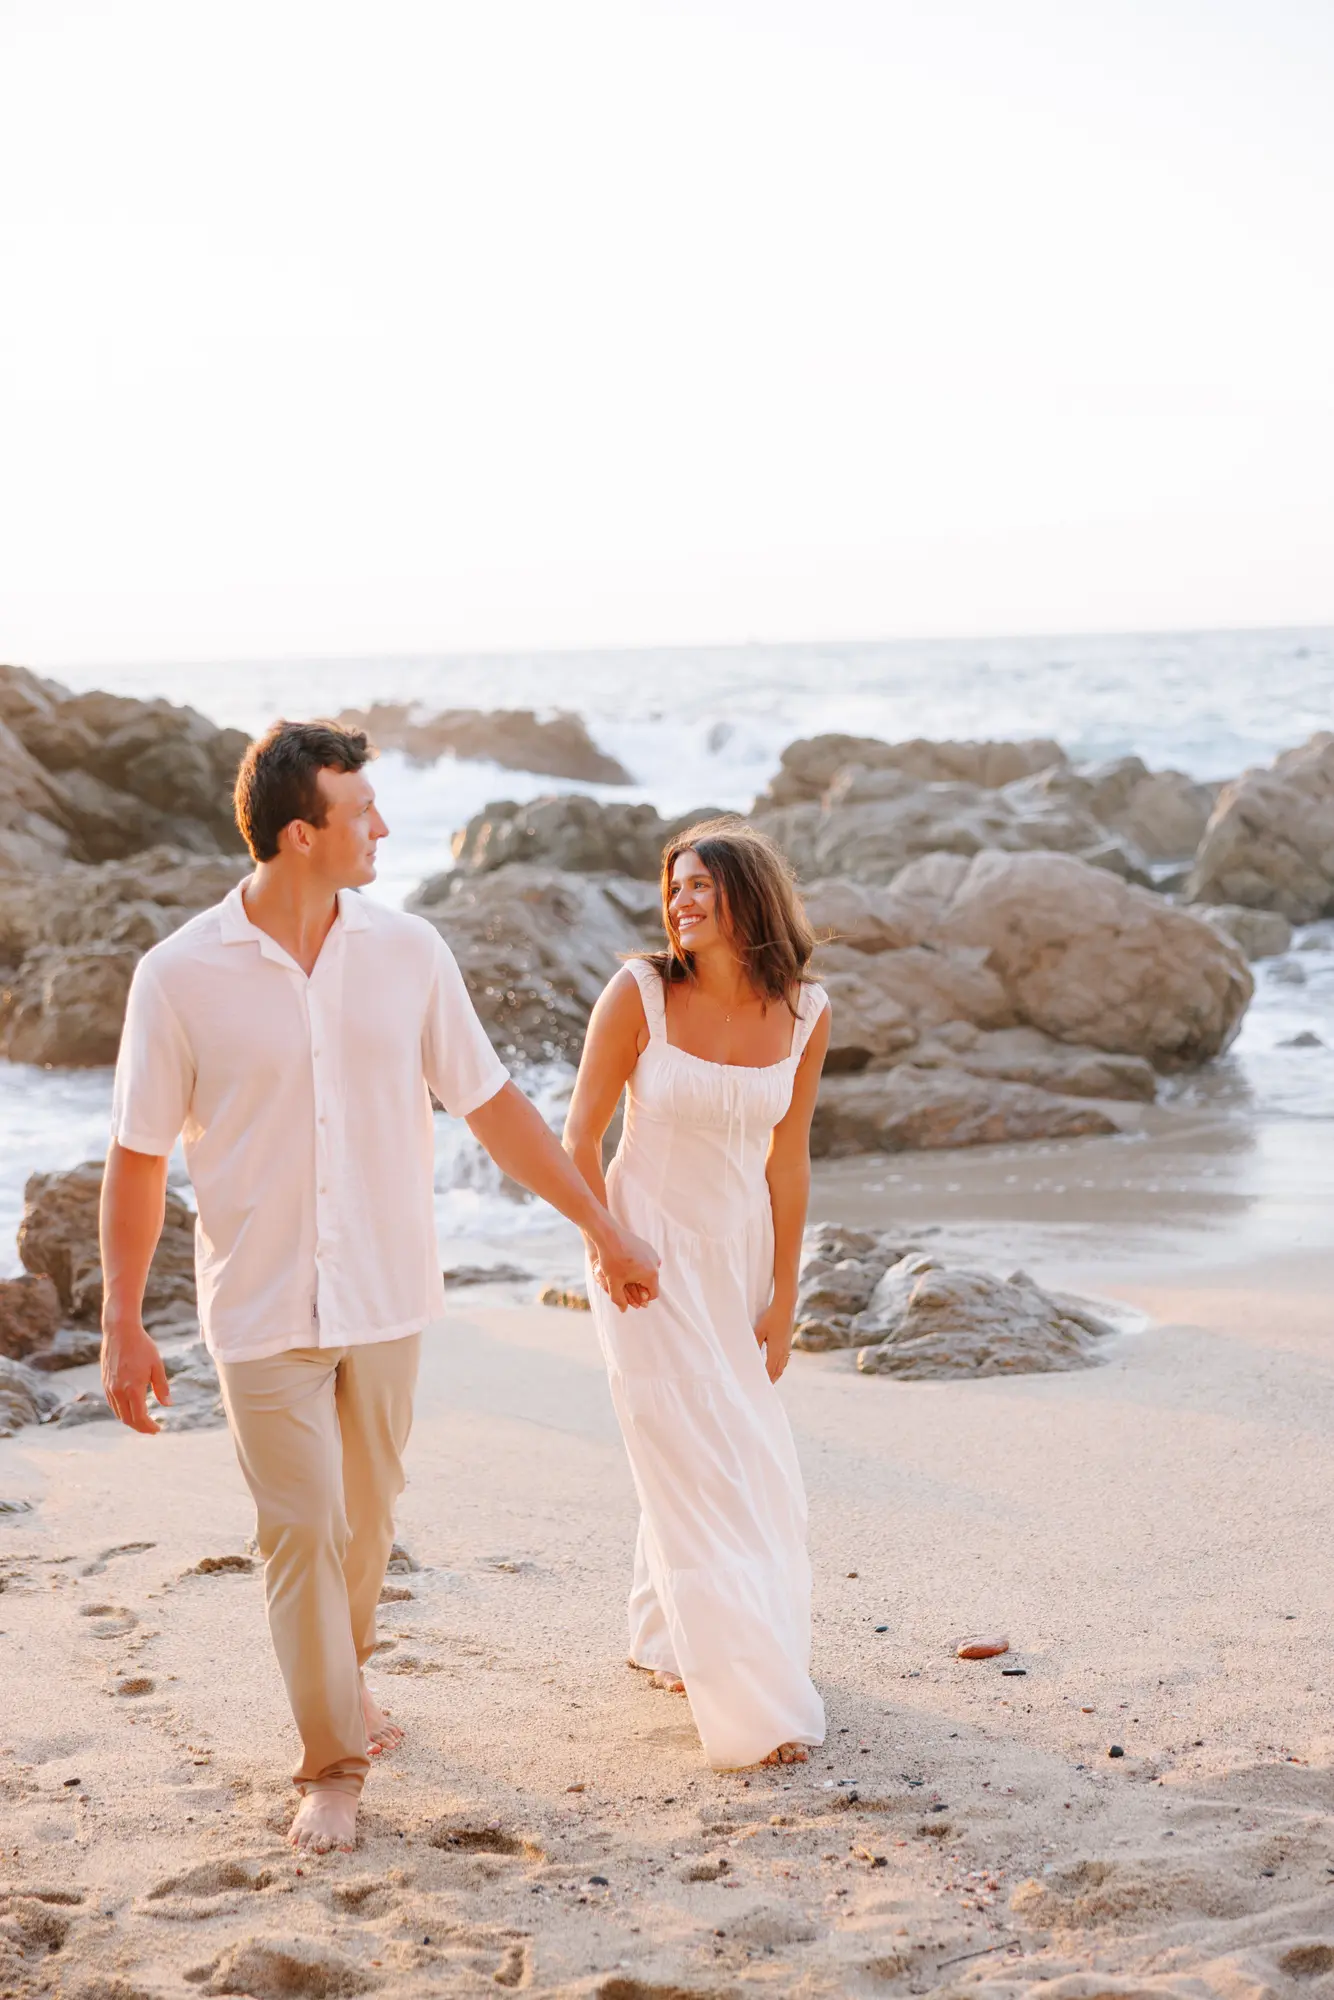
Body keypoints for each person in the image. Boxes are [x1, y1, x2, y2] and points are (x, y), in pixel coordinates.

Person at [99, 719, 659, 1856]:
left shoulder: (409, 953)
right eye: (363, 814)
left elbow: (493, 1105)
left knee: (365, 1530)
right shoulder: (177, 975)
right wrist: (120, 1317)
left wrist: (597, 1220)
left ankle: (343, 1687)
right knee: (299, 1530)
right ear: (302, 835)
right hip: (256, 1306)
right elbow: (137, 1153)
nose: (384, 831)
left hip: (387, 1292)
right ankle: (331, 1766)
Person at [563, 817, 830, 1771]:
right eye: (673, 888)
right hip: (643, 1252)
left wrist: (784, 1292)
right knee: (688, 1446)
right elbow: (580, 1134)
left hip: (739, 1257)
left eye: (700, 888)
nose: (680, 904)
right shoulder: (638, 993)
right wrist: (608, 1240)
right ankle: (749, 1694)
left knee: (738, 1443)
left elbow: (788, 1163)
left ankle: (665, 1631)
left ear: (747, 897)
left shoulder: (804, 1011)